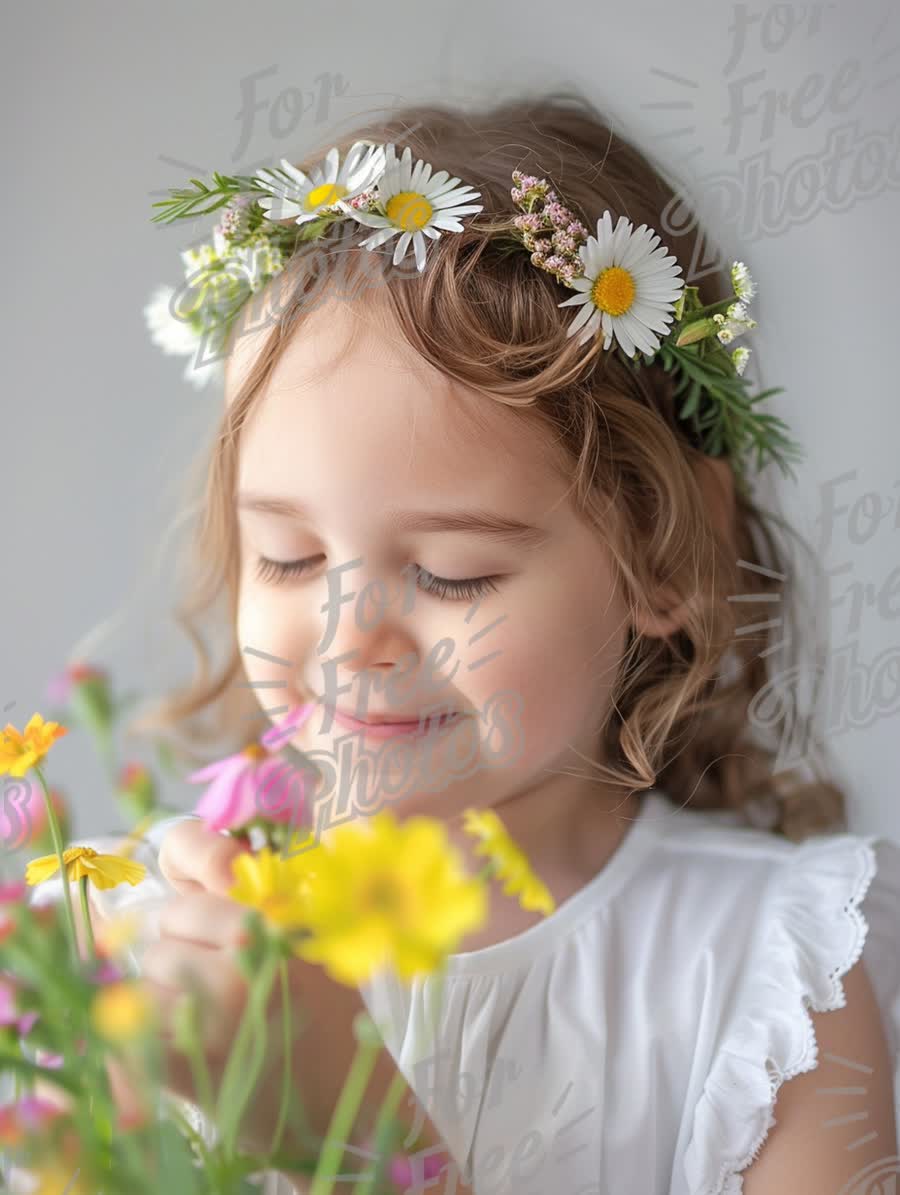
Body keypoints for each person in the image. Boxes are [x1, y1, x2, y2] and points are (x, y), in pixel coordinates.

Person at [33, 92, 900, 1194]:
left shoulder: (780, 980)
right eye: (290, 558)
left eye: (451, 573)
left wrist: (346, 1137)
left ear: (667, 558)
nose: (352, 637)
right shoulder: (143, 940)